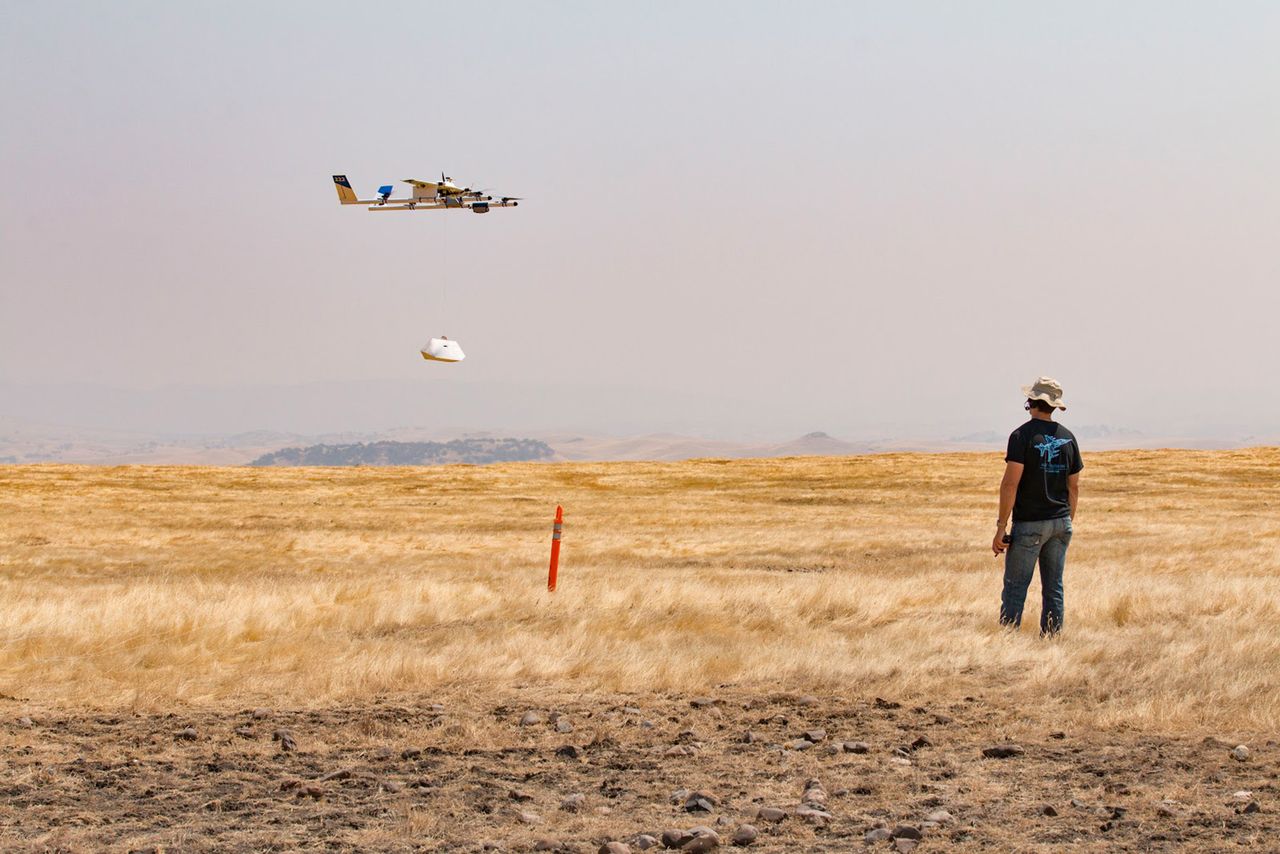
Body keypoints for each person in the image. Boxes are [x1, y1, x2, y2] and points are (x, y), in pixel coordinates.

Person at [991, 377, 1082, 636]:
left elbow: (1010, 484)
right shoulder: (1069, 438)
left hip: (1030, 523)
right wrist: (1066, 521)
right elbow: (1073, 487)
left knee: (1015, 586)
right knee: (1053, 587)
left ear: (1031, 402)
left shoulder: (1021, 436)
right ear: (1053, 406)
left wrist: (1001, 527)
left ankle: (1007, 641)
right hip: (1061, 521)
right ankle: (1052, 640)